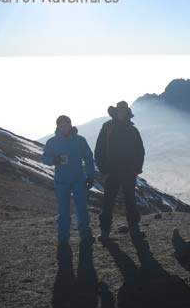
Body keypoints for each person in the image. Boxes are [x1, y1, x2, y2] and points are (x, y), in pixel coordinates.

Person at [95, 101, 145, 241]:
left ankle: (134, 229)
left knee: (130, 201)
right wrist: (103, 168)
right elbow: (99, 149)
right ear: (116, 112)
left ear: (127, 113)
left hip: (129, 172)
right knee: (108, 202)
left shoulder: (132, 130)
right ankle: (105, 232)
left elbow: (140, 151)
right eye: (119, 111)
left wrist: (137, 169)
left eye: (123, 111)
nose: (121, 113)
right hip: (112, 171)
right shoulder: (107, 127)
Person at [42, 115, 95, 246]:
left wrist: (90, 175)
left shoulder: (79, 140)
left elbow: (88, 158)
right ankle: (63, 238)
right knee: (63, 210)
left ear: (70, 125)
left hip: (78, 180)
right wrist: (54, 160)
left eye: (66, 124)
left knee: (82, 209)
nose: (64, 127)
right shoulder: (52, 142)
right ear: (58, 126)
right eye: (62, 125)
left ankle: (86, 235)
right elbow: (45, 158)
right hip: (62, 181)